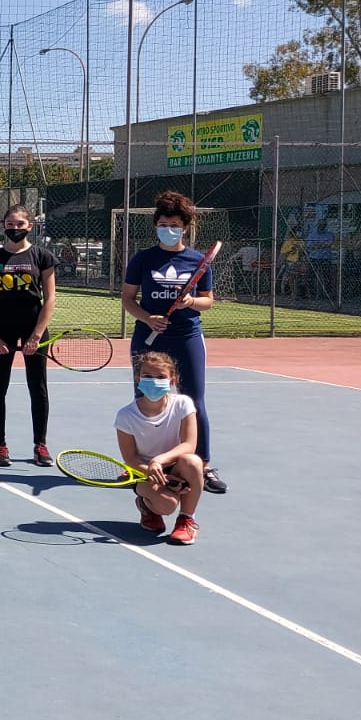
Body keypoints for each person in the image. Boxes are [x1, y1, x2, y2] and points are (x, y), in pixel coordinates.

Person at [120, 190, 225, 494]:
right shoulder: (143, 259)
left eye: (175, 225)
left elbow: (208, 301)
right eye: (164, 224)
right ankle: (140, 466)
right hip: (149, 338)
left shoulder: (197, 261)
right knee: (144, 400)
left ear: (185, 228)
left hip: (187, 337)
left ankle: (201, 465)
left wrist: (191, 301)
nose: (169, 229)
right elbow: (128, 299)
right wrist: (147, 318)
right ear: (156, 225)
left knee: (194, 400)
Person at [0, 203, 58, 468]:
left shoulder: (42, 257)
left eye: (20, 224)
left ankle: (40, 445)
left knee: (38, 387)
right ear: (4, 226)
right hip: (2, 328)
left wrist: (36, 336)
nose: (15, 228)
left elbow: (49, 300)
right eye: (10, 224)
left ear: (30, 226)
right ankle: (0, 446)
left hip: (34, 328)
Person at [115, 351, 205, 545]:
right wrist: (155, 473)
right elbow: (130, 458)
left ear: (172, 381)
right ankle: (147, 505)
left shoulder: (183, 404)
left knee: (193, 462)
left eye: (161, 377)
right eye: (147, 376)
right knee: (167, 504)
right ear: (138, 378)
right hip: (143, 472)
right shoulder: (125, 416)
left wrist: (159, 461)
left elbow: (189, 445)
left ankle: (186, 520)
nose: (154, 381)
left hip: (175, 465)